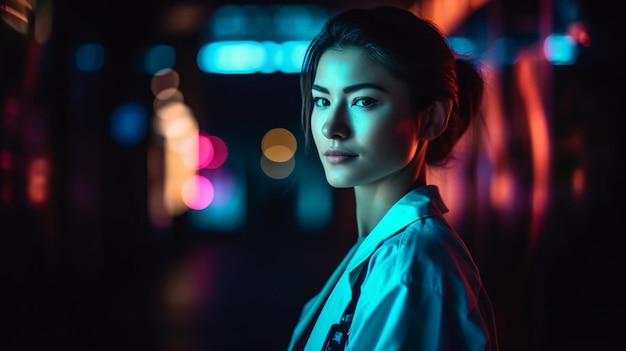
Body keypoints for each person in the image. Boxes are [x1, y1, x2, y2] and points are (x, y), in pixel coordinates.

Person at [287, 5, 499, 351]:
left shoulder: (412, 269)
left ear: (432, 119)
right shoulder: (387, 253)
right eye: (322, 101)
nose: (331, 127)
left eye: (363, 101)